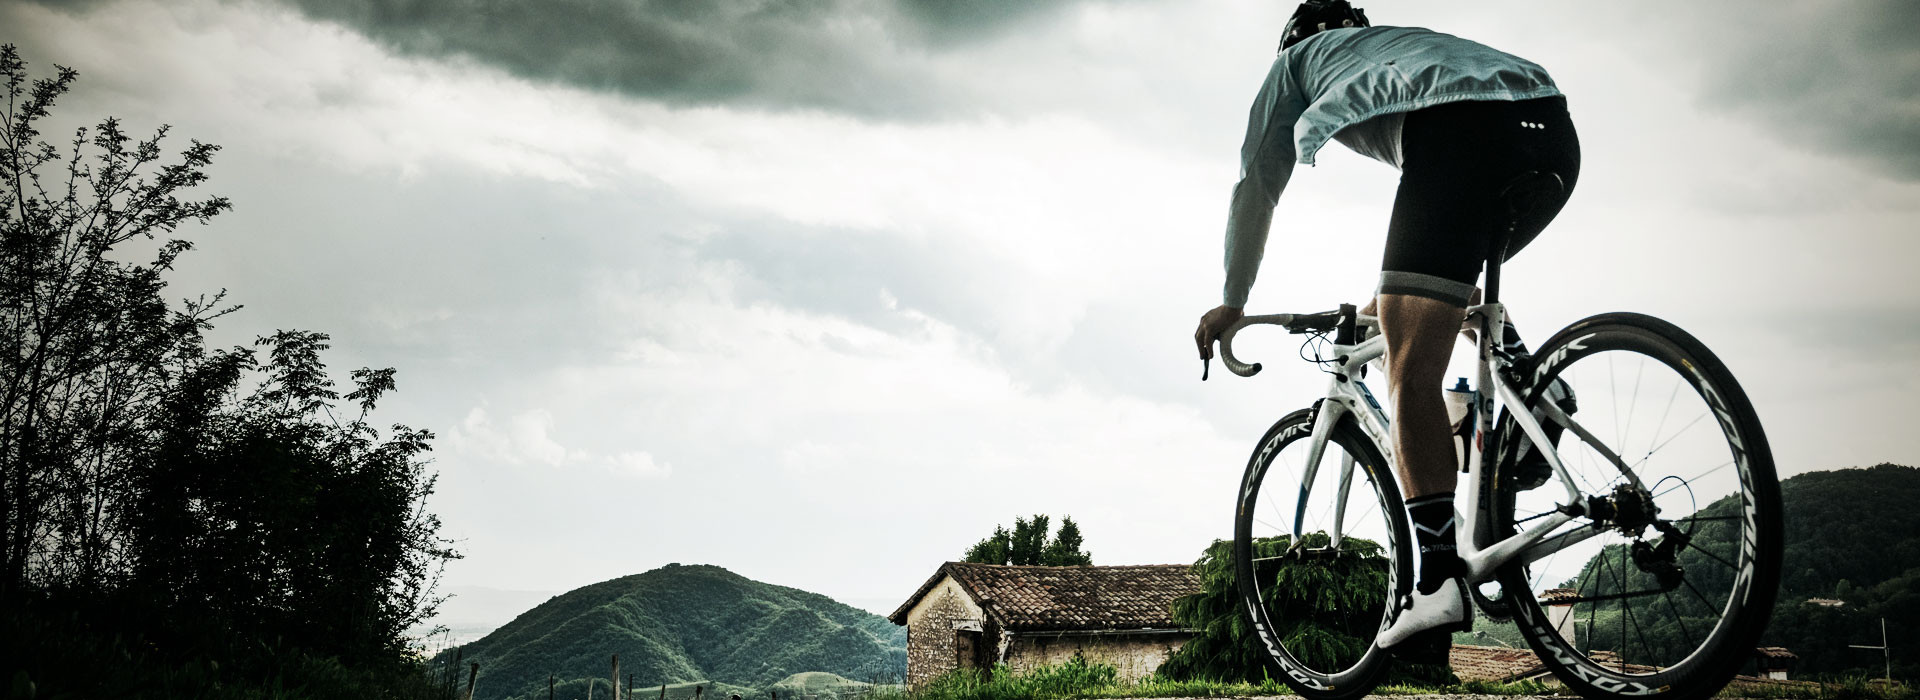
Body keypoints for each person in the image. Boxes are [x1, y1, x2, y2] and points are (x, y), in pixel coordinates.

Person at [1191, 1, 1580, 650]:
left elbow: (1256, 180)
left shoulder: (1293, 64)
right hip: (1550, 126)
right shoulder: (1395, 48)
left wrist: (1233, 301)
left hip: (1459, 134)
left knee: (1410, 371)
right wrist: (1381, 301)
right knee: (1433, 297)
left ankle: (1437, 580)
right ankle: (1531, 383)